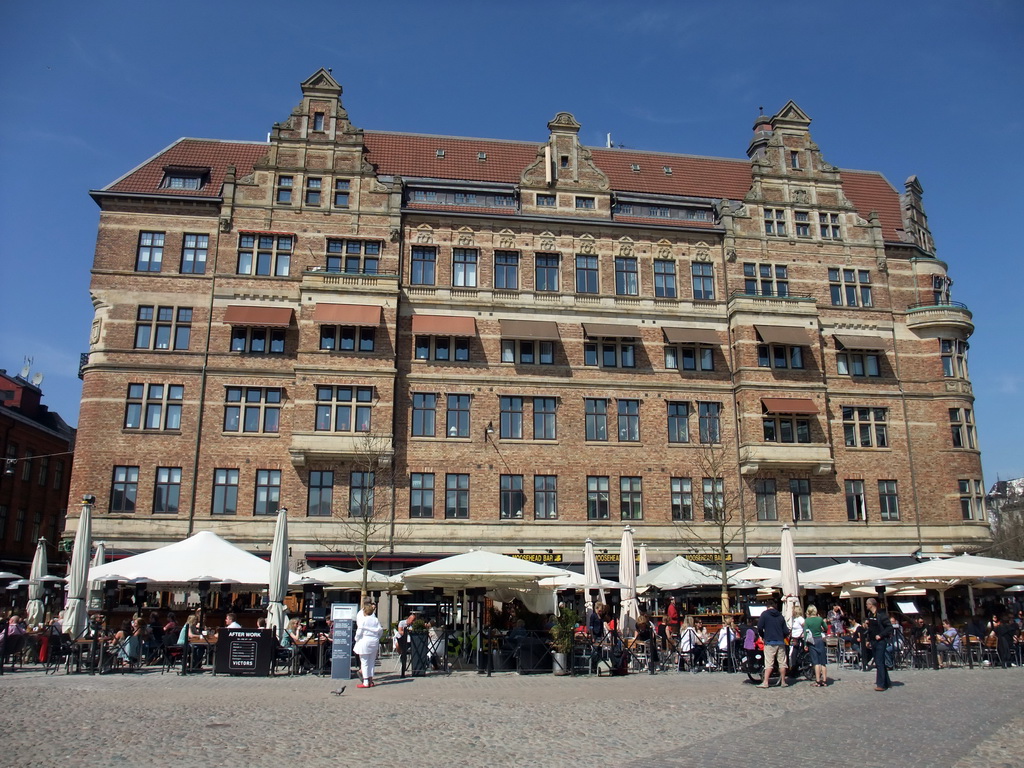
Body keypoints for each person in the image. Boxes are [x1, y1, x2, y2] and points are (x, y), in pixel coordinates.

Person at [756, 599, 790, 688]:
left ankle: (766, 682)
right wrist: (782, 636)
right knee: (782, 662)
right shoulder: (780, 616)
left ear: (767, 607)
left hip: (769, 641)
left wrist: (763, 635)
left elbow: (759, 627)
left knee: (769, 663)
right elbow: (786, 631)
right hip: (780, 641)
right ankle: (783, 681)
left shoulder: (765, 614)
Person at [353, 602, 383, 688]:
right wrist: (378, 637)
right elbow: (380, 630)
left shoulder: (363, 620)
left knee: (364, 662)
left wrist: (356, 639)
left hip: (365, 640)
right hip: (374, 641)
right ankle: (371, 680)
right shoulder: (375, 620)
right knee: (371, 662)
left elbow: (359, 632)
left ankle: (365, 681)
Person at [866, 597, 893, 691]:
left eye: (867, 604)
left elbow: (889, 627)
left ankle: (881, 684)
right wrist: (868, 639)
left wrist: (881, 635)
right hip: (873, 641)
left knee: (879, 662)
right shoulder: (870, 614)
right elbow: (870, 629)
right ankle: (887, 682)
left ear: (871, 605)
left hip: (881, 641)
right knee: (879, 661)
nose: (866, 606)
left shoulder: (881, 615)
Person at [804, 605, 828, 686]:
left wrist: (805, 644)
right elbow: (826, 628)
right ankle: (824, 680)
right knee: (823, 662)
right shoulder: (820, 619)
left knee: (816, 662)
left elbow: (805, 633)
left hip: (812, 641)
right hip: (820, 639)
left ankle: (818, 680)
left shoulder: (807, 620)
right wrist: (821, 629)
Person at [396, 611, 416, 677]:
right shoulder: (402, 622)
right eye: (412, 620)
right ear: (409, 619)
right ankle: (401, 656)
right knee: (397, 645)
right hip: (402, 639)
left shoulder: (413, 625)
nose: (413, 622)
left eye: (414, 621)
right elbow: (400, 631)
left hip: (410, 641)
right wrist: (406, 632)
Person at [788, 604, 806, 670]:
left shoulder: (800, 619)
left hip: (799, 638)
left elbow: (805, 626)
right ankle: (793, 667)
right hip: (794, 638)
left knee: (795, 654)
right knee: (793, 654)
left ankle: (795, 668)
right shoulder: (795, 619)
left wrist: (802, 634)